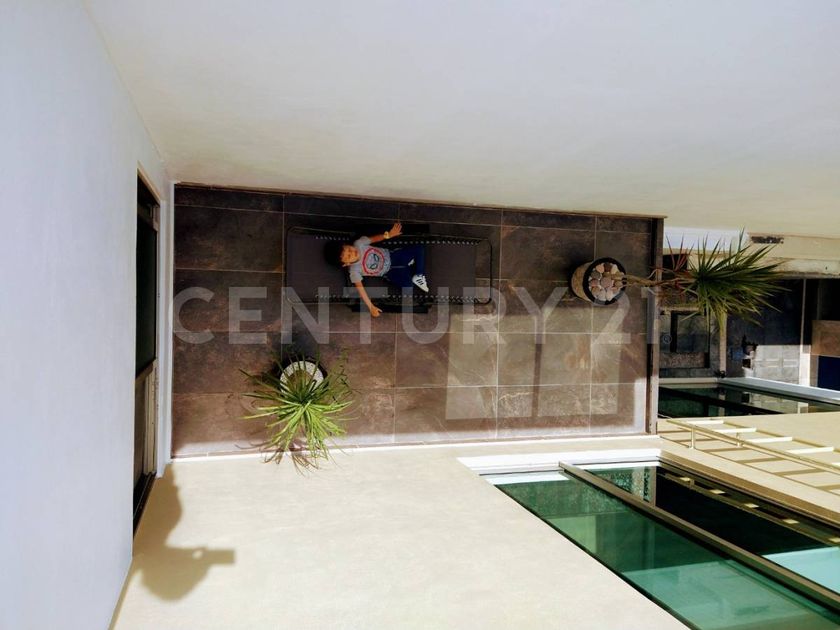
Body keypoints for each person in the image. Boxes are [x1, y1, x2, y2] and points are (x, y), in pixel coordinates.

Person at [325, 222, 429, 317]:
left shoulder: (359, 243)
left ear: (346, 245)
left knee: (419, 248)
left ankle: (418, 274)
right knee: (408, 286)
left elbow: (374, 239)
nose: (351, 252)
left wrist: (389, 235)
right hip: (388, 272)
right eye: (348, 256)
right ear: (346, 264)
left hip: (392, 256)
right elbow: (361, 289)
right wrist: (371, 307)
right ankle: (410, 265)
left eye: (348, 249)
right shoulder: (354, 271)